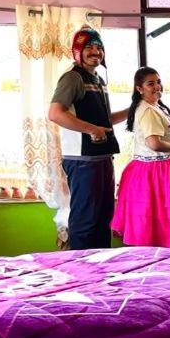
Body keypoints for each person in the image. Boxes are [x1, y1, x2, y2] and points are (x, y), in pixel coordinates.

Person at [48, 26, 128, 250]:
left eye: (99, 47)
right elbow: (55, 113)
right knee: (85, 222)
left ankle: (100, 271)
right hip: (83, 161)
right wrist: (92, 129)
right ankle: (81, 274)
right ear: (77, 51)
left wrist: (133, 110)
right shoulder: (72, 78)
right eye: (89, 47)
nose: (95, 51)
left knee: (103, 220)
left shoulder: (98, 80)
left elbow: (104, 120)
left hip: (102, 159)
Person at [111, 66, 170, 248]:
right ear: (139, 88)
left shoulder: (153, 106)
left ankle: (160, 265)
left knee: (156, 222)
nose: (157, 86)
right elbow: (154, 144)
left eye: (158, 82)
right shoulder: (148, 111)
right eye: (151, 84)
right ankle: (160, 264)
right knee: (157, 223)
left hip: (157, 169)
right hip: (156, 173)